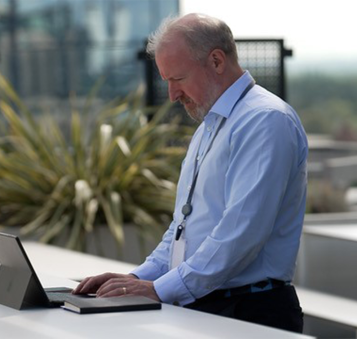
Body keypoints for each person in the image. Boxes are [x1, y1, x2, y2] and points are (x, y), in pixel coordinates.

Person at [73, 13, 307, 333]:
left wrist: (160, 289)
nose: (171, 95)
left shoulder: (265, 121)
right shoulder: (210, 127)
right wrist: (137, 278)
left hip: (250, 313)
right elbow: (182, 230)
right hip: (211, 307)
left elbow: (241, 232)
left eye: (177, 79)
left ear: (216, 61)